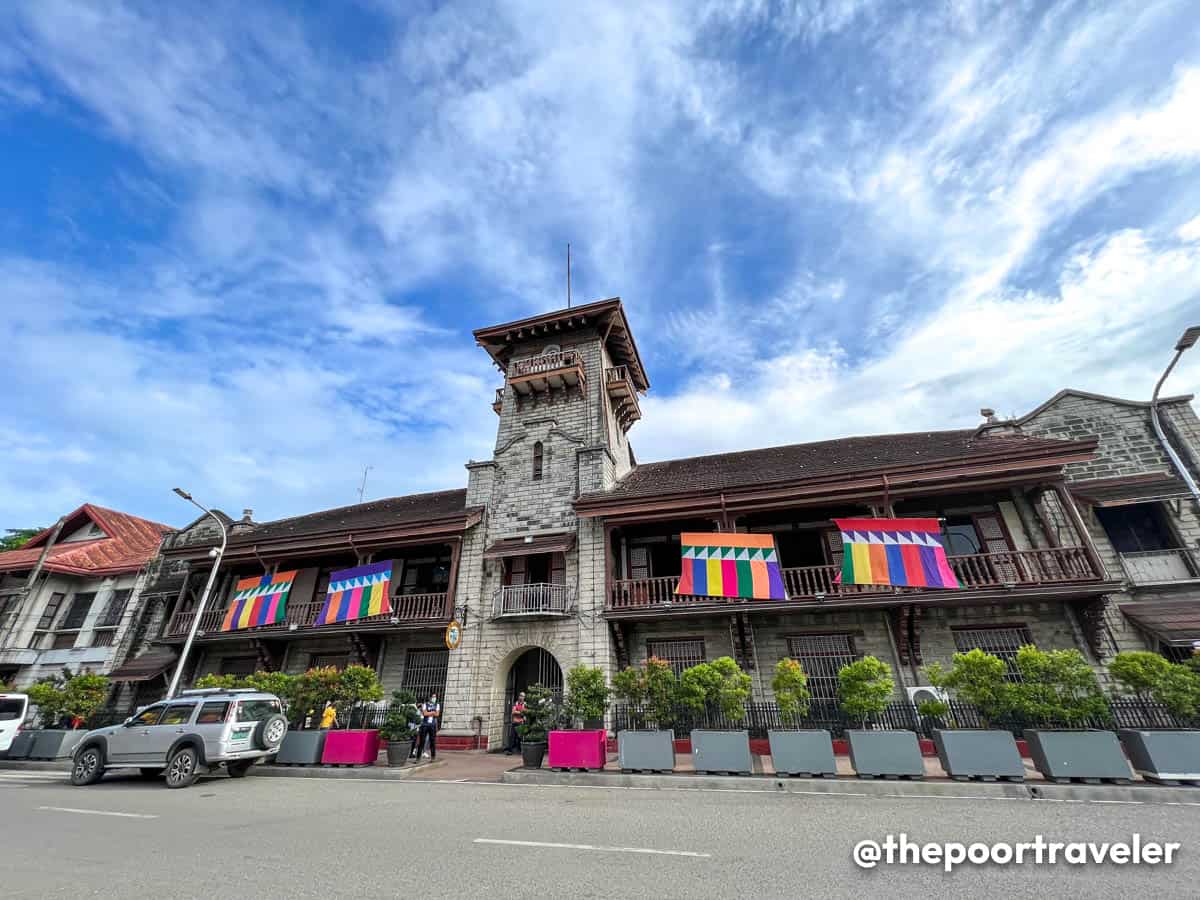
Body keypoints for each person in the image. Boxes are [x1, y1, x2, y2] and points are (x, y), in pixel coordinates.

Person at [415, 692, 441, 760]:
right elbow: (424, 713)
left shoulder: (437, 705)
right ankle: (418, 757)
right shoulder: (424, 705)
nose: (434, 698)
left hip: (432, 725)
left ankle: (433, 756)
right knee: (422, 741)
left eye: (435, 697)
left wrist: (429, 713)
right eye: (433, 697)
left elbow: (437, 714)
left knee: (432, 741)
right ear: (429, 697)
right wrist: (432, 712)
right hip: (425, 725)